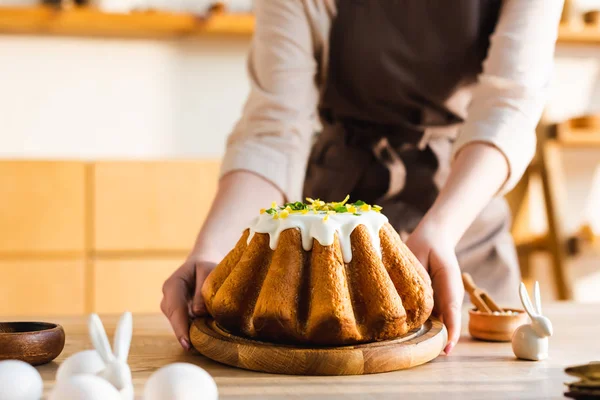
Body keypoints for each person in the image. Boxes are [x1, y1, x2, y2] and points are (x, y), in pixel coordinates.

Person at [161, 0, 564, 355]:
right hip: (324, 236)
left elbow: (508, 105)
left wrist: (442, 229)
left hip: (462, 220)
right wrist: (211, 248)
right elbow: (275, 129)